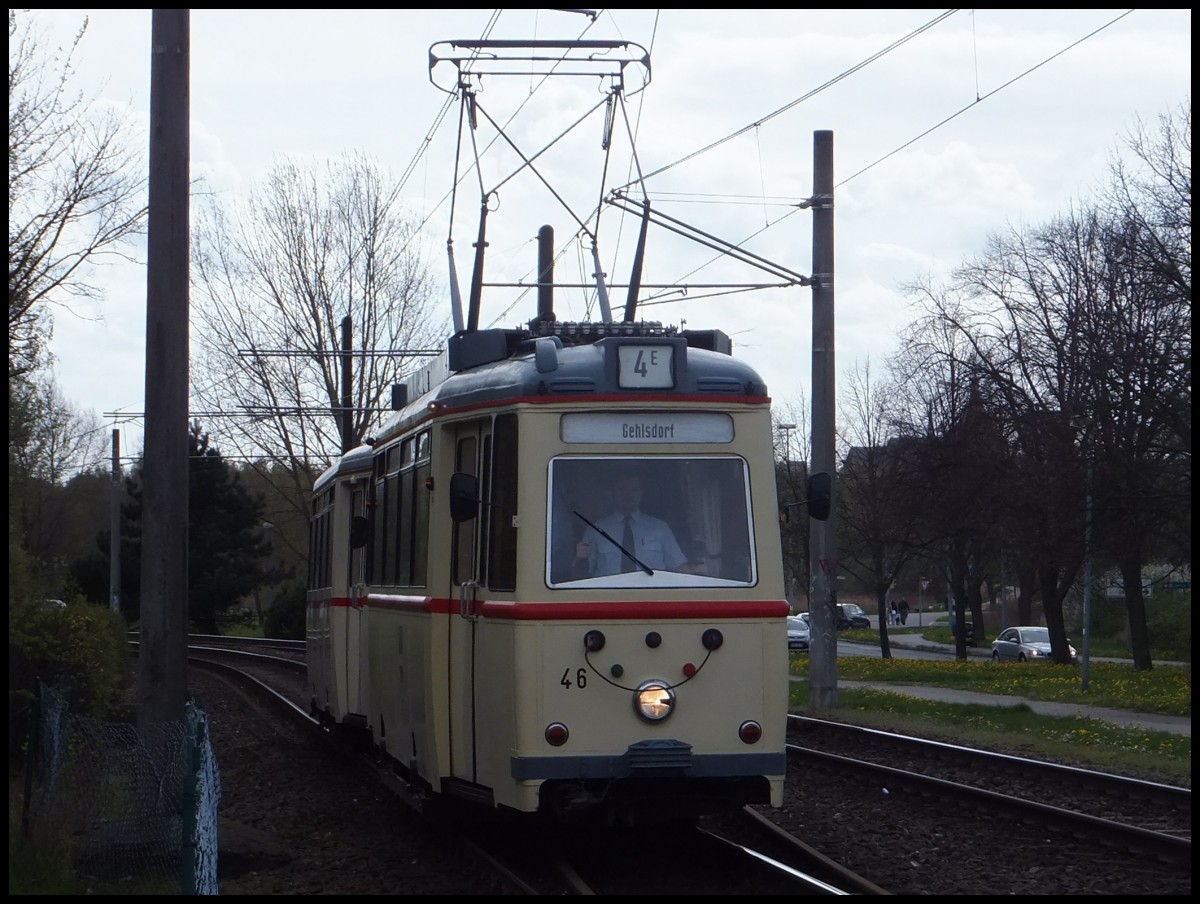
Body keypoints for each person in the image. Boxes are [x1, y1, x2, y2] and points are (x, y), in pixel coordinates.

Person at [573, 471, 703, 577]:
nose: (627, 494)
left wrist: (700, 574)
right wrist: (579, 558)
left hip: (652, 599)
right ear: (614, 492)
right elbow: (580, 575)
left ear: (642, 493)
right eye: (622, 489)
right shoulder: (596, 529)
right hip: (608, 600)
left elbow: (678, 567)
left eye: (633, 490)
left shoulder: (660, 528)